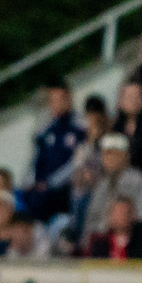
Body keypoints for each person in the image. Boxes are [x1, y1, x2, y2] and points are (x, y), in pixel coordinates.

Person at [25, 83, 90, 219]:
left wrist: (50, 183)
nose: (59, 103)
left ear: (70, 98)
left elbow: (78, 162)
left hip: (66, 187)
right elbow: (35, 161)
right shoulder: (44, 132)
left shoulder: (80, 128)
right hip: (42, 190)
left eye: (62, 98)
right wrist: (32, 184)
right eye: (54, 100)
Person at [87, 131, 142, 226]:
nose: (106, 158)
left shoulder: (138, 181)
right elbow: (91, 220)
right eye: (104, 154)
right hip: (104, 238)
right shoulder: (103, 183)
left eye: (111, 153)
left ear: (125, 156)